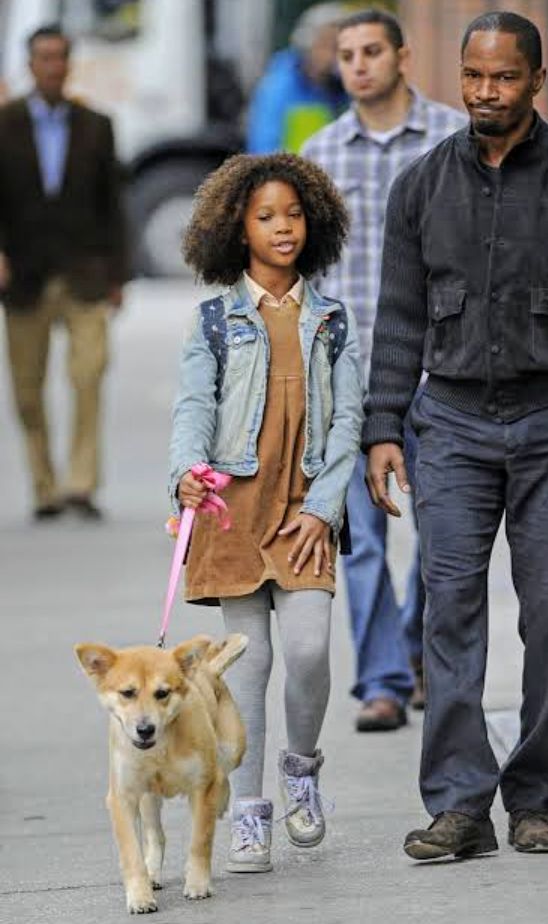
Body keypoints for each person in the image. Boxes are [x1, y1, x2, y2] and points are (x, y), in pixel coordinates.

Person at [363, 11, 548, 859]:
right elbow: (400, 318)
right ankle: (458, 803)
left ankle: (534, 799)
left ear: (537, 81)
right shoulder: (419, 186)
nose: (487, 93)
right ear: (460, 74)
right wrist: (383, 427)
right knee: (448, 611)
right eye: (475, 77)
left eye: (505, 78)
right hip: (448, 424)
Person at [169, 152, 363, 873]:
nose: (284, 227)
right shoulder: (217, 322)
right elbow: (194, 408)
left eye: (294, 213)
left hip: (304, 510)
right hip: (234, 510)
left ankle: (302, 767)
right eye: (266, 217)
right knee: (245, 669)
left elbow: (347, 424)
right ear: (236, 229)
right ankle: (249, 813)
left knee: (310, 648)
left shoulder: (333, 322)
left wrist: (323, 508)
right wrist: (185, 473)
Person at [301, 8, 467, 731]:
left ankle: (421, 654)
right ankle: (383, 682)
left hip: (443, 375)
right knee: (362, 539)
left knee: (442, 531)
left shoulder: (451, 140)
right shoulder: (323, 154)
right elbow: (306, 274)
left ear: (403, 55)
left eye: (373, 50)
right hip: (350, 383)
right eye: (347, 54)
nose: (360, 64)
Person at [0, 24, 127, 520]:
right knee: (28, 388)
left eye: (60, 57)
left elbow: (113, 205)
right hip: (24, 277)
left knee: (88, 375)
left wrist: (118, 275)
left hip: (85, 272)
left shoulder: (96, 124)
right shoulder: (4, 124)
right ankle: (44, 486)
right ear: (30, 65)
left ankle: (81, 483)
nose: (52, 66)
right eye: (44, 57)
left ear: (70, 64)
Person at [245, 2, 348, 154]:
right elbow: (263, 149)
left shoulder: (342, 88)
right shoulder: (278, 86)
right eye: (327, 45)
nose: (333, 56)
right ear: (307, 42)